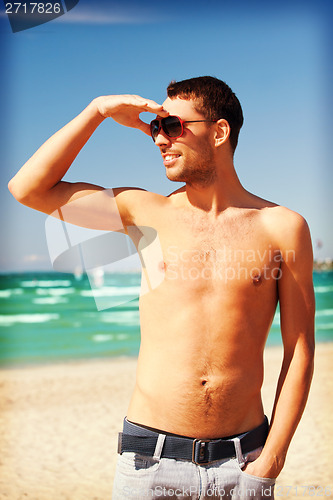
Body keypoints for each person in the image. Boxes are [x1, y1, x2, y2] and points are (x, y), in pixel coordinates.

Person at [8, 76, 315, 499]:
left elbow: (299, 348)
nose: (159, 140)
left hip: (245, 463)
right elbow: (27, 189)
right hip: (149, 466)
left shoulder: (282, 227)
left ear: (220, 131)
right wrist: (96, 110)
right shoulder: (146, 212)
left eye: (172, 127)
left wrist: (271, 460)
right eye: (156, 128)